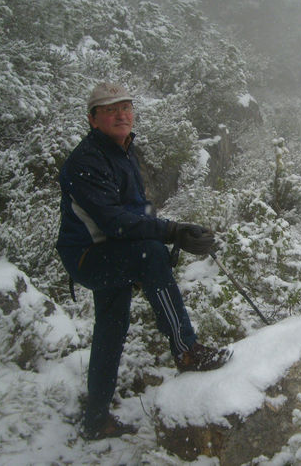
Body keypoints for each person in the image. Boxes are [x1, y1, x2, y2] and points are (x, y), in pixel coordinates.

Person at [56, 82, 232, 440]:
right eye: (109, 109)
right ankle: (186, 351)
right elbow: (114, 220)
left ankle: (96, 420)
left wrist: (166, 232)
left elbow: (136, 211)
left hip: (107, 250)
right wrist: (169, 233)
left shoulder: (121, 151)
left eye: (125, 106)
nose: (120, 114)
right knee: (148, 255)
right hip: (90, 256)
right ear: (93, 119)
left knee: (111, 328)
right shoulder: (87, 161)